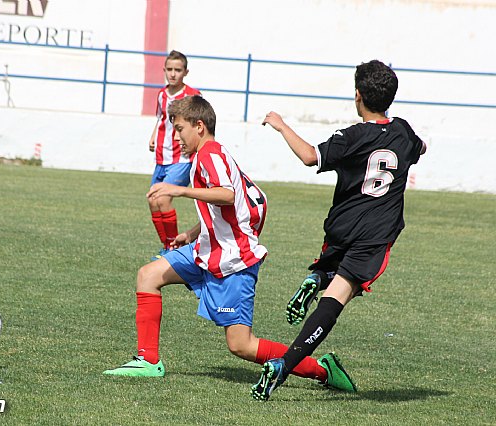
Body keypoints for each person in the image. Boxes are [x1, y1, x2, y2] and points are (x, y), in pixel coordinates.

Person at [104, 96, 355, 394]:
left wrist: (180, 190)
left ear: (199, 126)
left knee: (241, 345)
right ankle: (148, 360)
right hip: (205, 251)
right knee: (148, 275)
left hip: (232, 263)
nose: (177, 137)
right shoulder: (214, 153)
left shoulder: (209, 154)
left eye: (181, 129)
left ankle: (322, 371)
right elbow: (251, 201)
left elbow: (227, 195)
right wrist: (194, 232)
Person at [252, 59, 427, 401]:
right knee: (335, 301)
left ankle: (319, 275)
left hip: (340, 228)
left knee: (333, 274)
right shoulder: (405, 132)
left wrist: (281, 125)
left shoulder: (351, 136)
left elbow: (308, 156)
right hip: (374, 237)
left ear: (358, 96)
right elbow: (421, 148)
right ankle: (284, 365)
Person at [147, 50, 201, 261]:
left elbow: (200, 122)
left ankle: (173, 248)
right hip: (162, 156)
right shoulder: (161, 94)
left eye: (177, 70)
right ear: (164, 70)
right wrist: (153, 136)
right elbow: (161, 119)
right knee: (153, 200)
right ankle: (167, 246)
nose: (173, 74)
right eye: (169, 69)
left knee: (163, 197)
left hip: (181, 158)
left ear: (185, 72)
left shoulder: (192, 95)